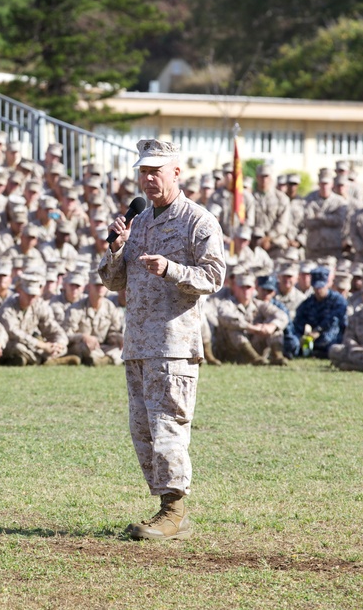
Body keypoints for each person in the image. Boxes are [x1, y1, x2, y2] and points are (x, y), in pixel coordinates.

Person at [99, 139, 226, 541]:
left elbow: (214, 278)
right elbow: (113, 281)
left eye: (157, 171)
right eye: (143, 172)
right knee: (144, 432)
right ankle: (165, 508)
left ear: (176, 173)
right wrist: (117, 249)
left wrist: (171, 268)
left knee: (168, 426)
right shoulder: (140, 221)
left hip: (173, 343)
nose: (149, 179)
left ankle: (174, 512)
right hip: (137, 342)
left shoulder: (197, 221)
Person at [293, 266, 348, 358]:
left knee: (328, 340)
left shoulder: (338, 300)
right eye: (315, 287)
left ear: (327, 284)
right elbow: (299, 321)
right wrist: (302, 336)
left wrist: (318, 330)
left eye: (321, 287)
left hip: (333, 335)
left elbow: (334, 320)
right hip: (311, 337)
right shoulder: (308, 303)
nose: (318, 290)